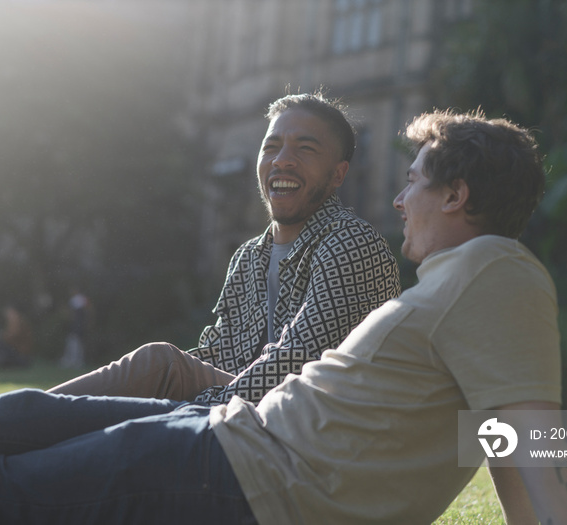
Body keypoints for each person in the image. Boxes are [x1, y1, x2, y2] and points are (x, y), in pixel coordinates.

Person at [0, 110, 567, 525]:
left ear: (457, 194)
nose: (399, 200)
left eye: (413, 181)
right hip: (234, 436)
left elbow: (535, 445)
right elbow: (504, 443)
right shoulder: (466, 285)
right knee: (16, 418)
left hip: (240, 473)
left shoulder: (495, 272)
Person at [48, 92, 401, 405]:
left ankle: (15, 420)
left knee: (158, 365)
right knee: (155, 371)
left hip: (303, 419)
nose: (282, 160)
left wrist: (199, 406)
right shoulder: (248, 256)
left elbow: (297, 361)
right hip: (240, 405)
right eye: (271, 146)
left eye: (305, 148)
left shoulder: (351, 241)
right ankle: (12, 422)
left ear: (338, 174)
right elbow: (216, 352)